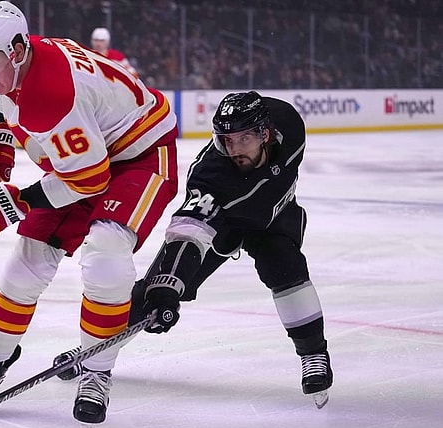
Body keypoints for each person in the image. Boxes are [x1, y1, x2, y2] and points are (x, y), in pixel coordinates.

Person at [0, 1, 179, 425]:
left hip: (140, 156)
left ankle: (97, 370)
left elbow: (88, 182)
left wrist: (10, 204)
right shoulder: (11, 61)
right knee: (26, 261)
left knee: (107, 252)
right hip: (87, 155)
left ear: (16, 50)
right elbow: (5, 101)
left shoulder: (52, 95)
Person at [137, 91, 333, 406]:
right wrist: (168, 284)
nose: (234, 149)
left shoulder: (290, 124)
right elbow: (189, 230)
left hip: (273, 219)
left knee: (284, 265)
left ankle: (313, 355)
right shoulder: (210, 174)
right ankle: (97, 344)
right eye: (227, 140)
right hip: (223, 224)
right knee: (153, 292)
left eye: (243, 139)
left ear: (265, 133)